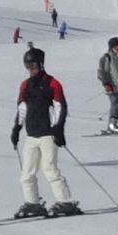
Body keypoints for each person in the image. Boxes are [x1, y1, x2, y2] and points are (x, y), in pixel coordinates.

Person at [10, 46, 80, 218]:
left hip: (48, 134)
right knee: (27, 172)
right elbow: (22, 108)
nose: (30, 69)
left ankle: (65, 202)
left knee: (49, 168)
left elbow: (59, 107)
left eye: (32, 65)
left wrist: (58, 129)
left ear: (40, 64)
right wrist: (16, 128)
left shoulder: (53, 83)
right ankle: (32, 203)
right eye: (27, 66)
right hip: (31, 135)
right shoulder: (25, 85)